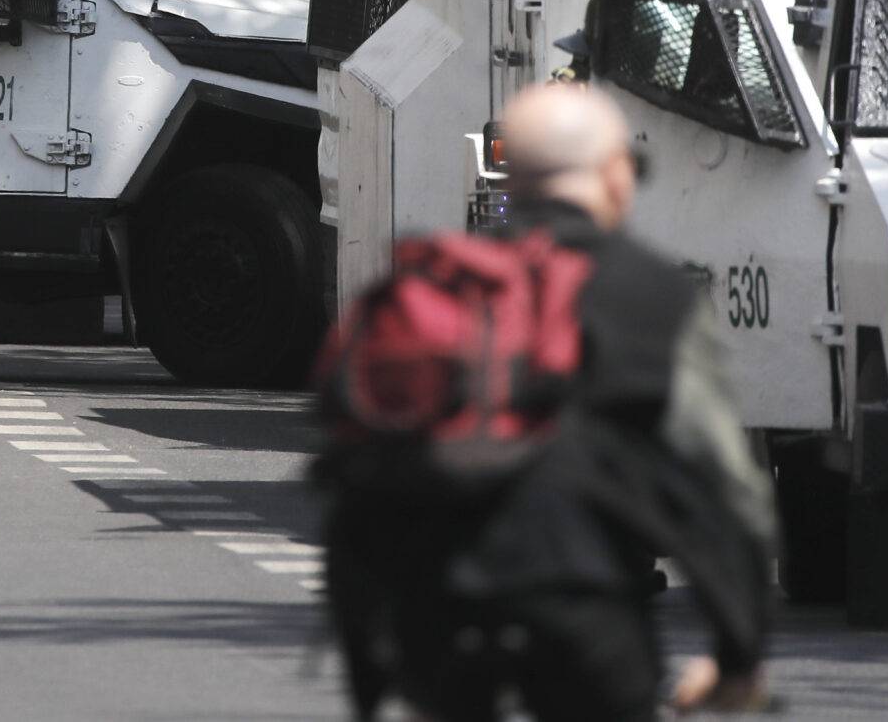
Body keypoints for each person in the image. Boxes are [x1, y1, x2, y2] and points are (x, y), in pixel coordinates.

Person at [322, 83, 776, 721]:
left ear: (511, 175)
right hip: (583, 605)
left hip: (439, 612)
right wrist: (738, 651)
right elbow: (725, 484)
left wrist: (369, 667)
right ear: (614, 173)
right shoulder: (650, 291)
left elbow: (353, 465)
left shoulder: (434, 282)